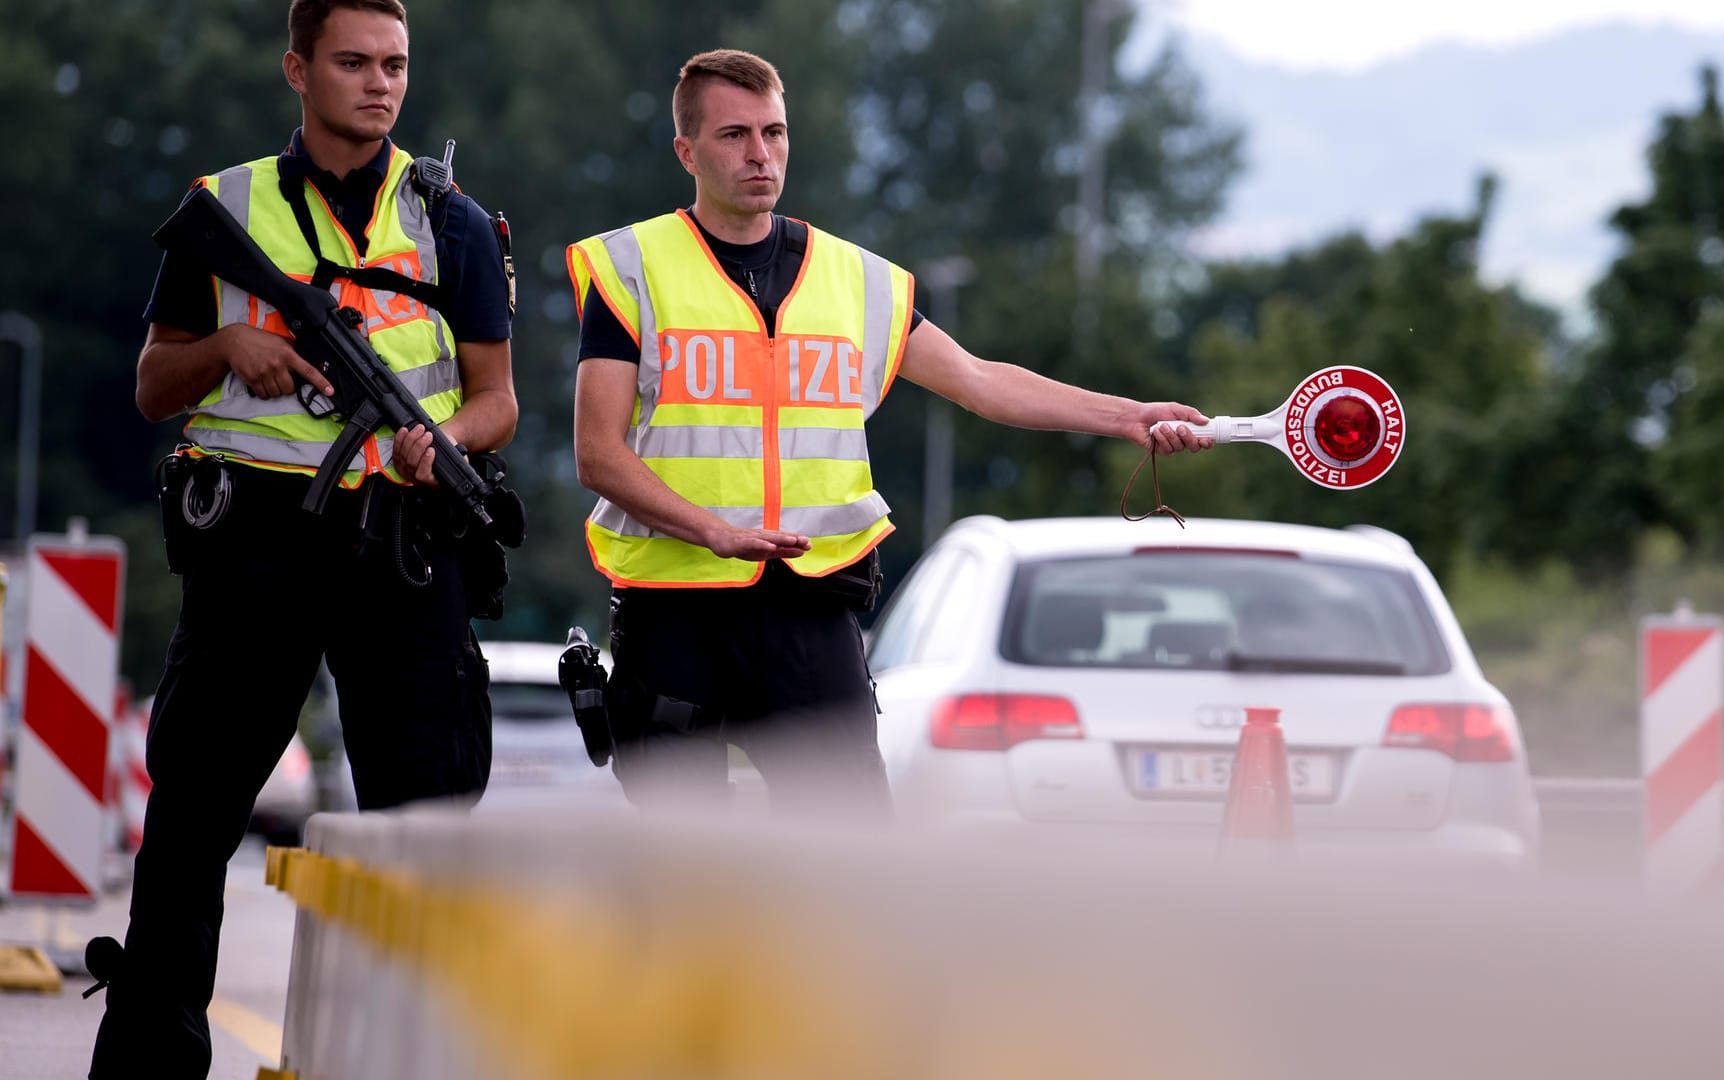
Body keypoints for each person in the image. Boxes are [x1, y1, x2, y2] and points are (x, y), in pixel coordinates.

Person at [569, 49, 1211, 821]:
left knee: (852, 857)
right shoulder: (631, 267)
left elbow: (980, 381)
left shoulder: (854, 278)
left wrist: (1130, 418)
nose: (760, 154)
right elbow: (597, 453)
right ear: (687, 151)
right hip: (674, 605)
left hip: (812, 607)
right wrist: (713, 531)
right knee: (686, 868)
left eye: (774, 132)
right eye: (734, 135)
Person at [88, 1, 516, 1075]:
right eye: (355, 62)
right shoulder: (222, 208)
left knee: (428, 832)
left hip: (402, 541)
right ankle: (148, 1059)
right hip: (256, 547)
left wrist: (442, 441)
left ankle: (418, 1056)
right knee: (189, 829)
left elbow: (498, 400)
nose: (380, 84)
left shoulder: (452, 219)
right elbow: (152, 384)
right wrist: (232, 344)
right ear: (298, 68)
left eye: (397, 65)